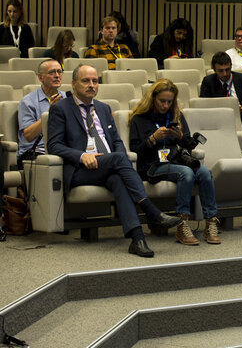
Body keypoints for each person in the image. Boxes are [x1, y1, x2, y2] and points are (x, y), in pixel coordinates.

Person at [47, 64, 182, 257]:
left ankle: (137, 240)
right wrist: (82, 155)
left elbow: (116, 141)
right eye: (86, 81)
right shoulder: (61, 109)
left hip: (107, 166)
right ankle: (151, 211)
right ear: (74, 83)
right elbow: (54, 145)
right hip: (80, 169)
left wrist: (118, 157)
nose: (91, 85)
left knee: (119, 178)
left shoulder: (103, 108)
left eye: (95, 81)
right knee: (119, 158)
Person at [129, 79, 220, 245]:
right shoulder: (139, 119)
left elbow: (188, 146)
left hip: (175, 161)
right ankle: (182, 224)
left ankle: (211, 222)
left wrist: (180, 137)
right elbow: (134, 152)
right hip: (151, 166)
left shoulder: (176, 116)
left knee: (205, 172)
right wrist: (152, 139)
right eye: (162, 101)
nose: (165, 105)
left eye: (169, 102)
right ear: (153, 99)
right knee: (185, 172)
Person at [17, 59, 66, 168]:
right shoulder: (28, 102)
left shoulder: (67, 98)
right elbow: (29, 136)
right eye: (52, 72)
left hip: (61, 148)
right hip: (35, 151)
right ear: (40, 78)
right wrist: (49, 113)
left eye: (59, 71)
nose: (57, 75)